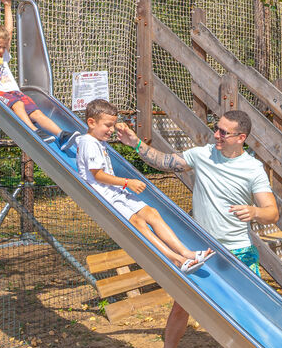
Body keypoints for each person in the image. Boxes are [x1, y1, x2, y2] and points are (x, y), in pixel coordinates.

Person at [115, 108, 281, 348]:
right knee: (182, 305)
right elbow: (165, 162)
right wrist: (135, 143)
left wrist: (254, 211)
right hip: (202, 249)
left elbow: (272, 212)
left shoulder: (253, 169)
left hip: (238, 251)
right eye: (216, 128)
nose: (216, 135)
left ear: (241, 138)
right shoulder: (202, 155)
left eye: (224, 132)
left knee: (246, 312)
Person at [77, 100, 213, 273]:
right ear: (91, 122)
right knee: (138, 222)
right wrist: (127, 182)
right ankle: (176, 260)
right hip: (104, 197)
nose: (111, 130)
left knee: (151, 213)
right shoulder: (89, 142)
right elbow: (98, 175)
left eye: (113, 125)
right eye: (108, 125)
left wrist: (119, 127)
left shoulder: (97, 140)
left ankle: (186, 252)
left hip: (115, 193)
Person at [0, 0, 71, 144]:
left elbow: (9, 32)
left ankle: (61, 134)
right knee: (18, 104)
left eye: (3, 47)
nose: (1, 50)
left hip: (14, 91)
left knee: (36, 112)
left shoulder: (3, 56)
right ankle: (34, 131)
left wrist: (7, 6)